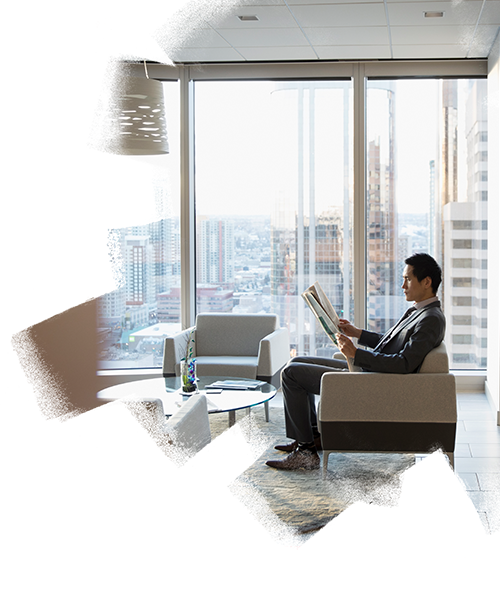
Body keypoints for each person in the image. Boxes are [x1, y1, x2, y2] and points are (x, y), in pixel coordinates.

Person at [266, 253, 446, 471]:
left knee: (291, 374)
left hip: (373, 380)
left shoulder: (430, 319)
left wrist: (355, 354)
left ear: (426, 282)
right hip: (370, 369)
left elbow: (405, 363)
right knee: (296, 361)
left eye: (407, 279)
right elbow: (391, 343)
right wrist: (356, 333)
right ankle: (312, 437)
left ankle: (305, 452)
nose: (402, 285)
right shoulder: (421, 311)